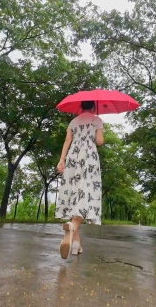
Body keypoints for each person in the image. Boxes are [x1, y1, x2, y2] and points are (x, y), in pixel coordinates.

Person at [55, 100, 104, 259]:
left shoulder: (73, 121)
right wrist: (98, 131)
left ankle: (76, 245)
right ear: (94, 107)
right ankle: (72, 227)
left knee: (74, 195)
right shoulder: (97, 120)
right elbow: (99, 141)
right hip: (89, 159)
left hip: (73, 158)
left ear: (81, 107)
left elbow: (67, 141)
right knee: (85, 196)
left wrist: (61, 160)